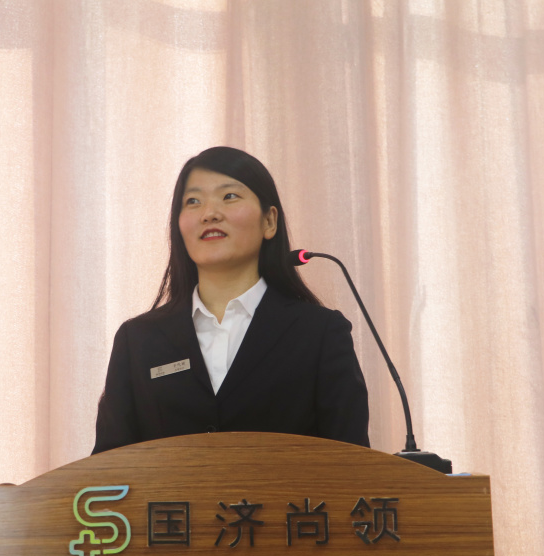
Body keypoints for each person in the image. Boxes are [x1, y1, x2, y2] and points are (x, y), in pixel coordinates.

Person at [92, 146, 370, 454]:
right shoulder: (137, 341)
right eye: (193, 201)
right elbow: (107, 469)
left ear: (269, 222)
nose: (209, 213)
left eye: (229, 196)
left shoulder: (320, 333)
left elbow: (352, 464)